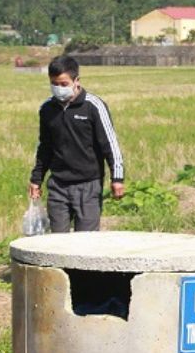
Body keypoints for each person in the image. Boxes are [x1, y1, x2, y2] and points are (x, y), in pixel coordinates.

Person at [29, 55, 124, 232]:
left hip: (88, 185)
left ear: (76, 81)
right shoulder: (47, 109)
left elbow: (110, 144)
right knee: (58, 242)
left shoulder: (93, 106)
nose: (58, 88)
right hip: (58, 185)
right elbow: (44, 147)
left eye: (64, 84)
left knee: (85, 242)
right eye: (54, 84)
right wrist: (36, 179)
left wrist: (117, 178)